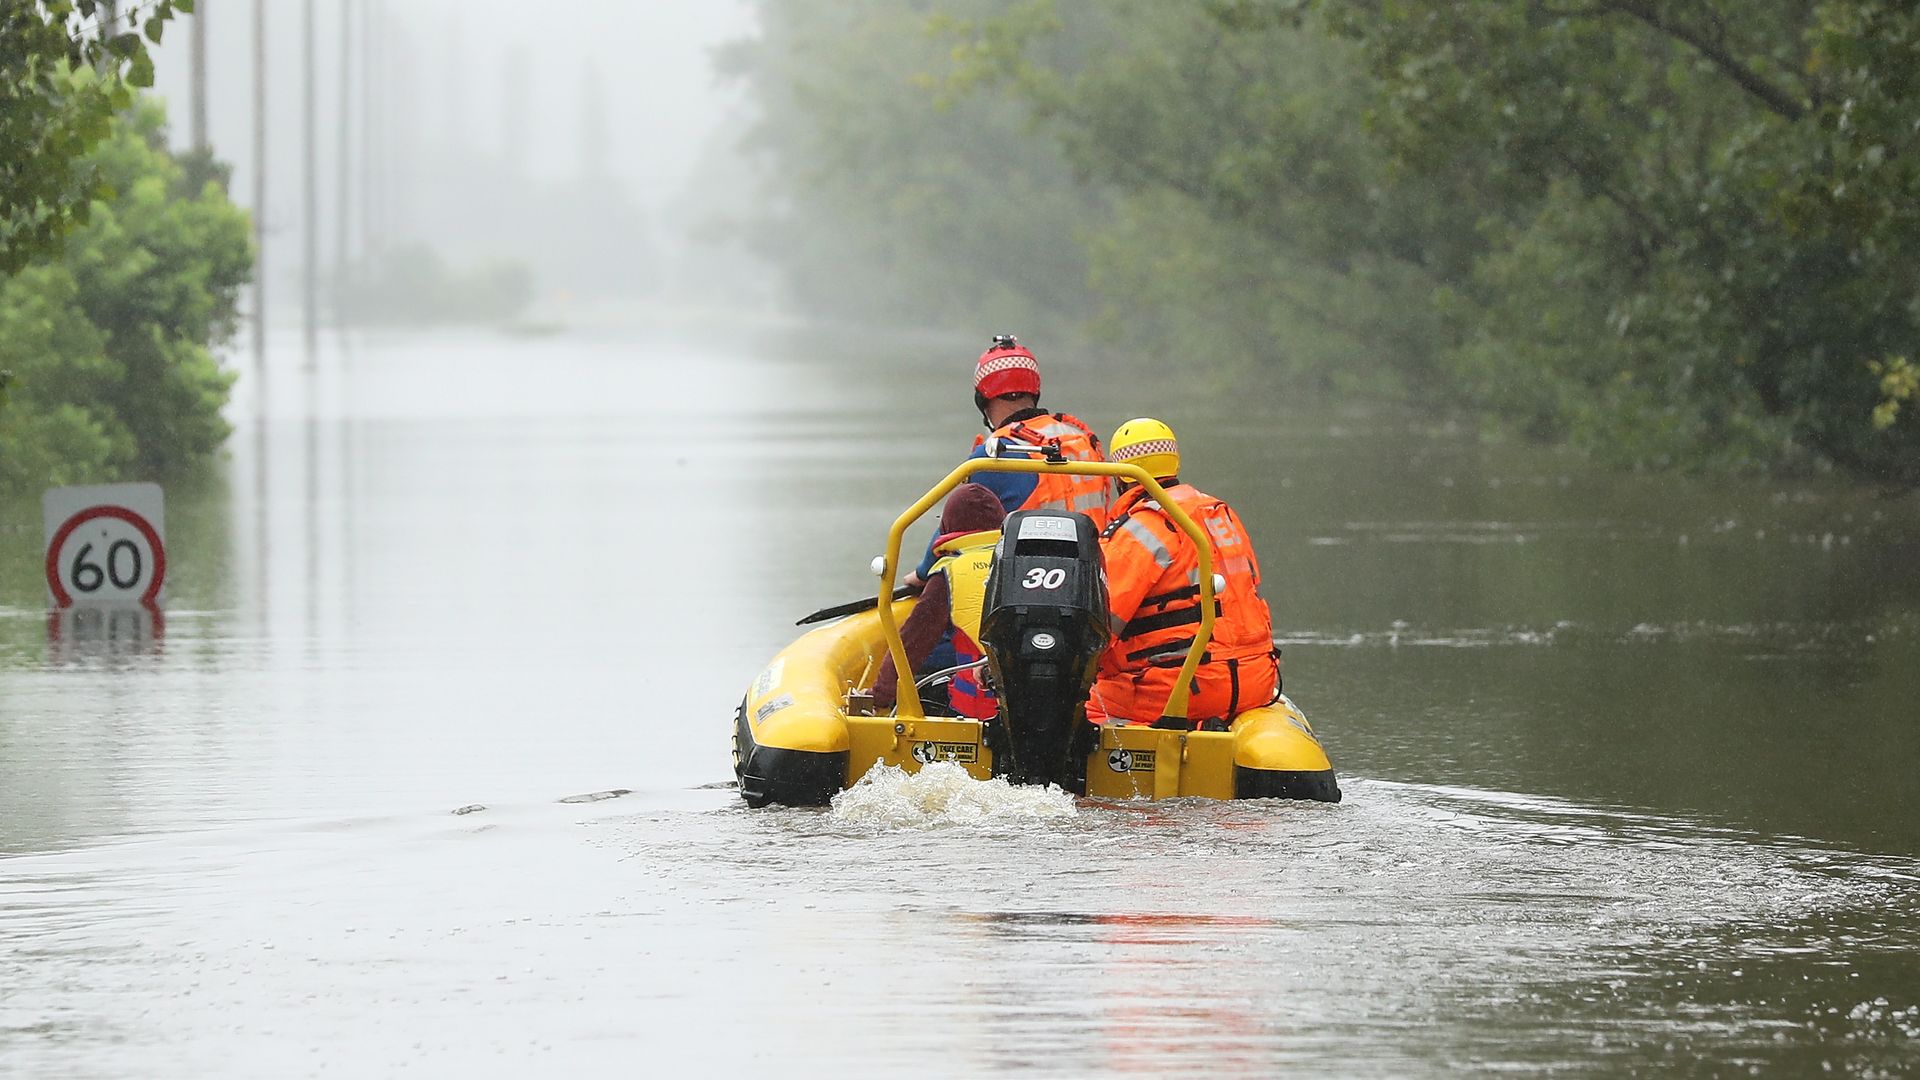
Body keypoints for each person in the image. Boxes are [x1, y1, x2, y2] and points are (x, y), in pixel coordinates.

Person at [1087, 417, 1280, 727]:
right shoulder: (1220, 513)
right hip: (1256, 679)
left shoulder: (1140, 528)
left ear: (1121, 475)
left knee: (1075, 707)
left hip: (1184, 688)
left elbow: (1097, 626)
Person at [904, 334, 1109, 589]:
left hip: (1032, 589)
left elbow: (950, 534)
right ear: (1034, 391)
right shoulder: (1080, 439)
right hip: (1095, 585)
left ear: (982, 398)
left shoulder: (993, 457)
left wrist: (922, 573)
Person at [873, 483, 1007, 717]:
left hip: (979, 713)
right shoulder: (1027, 563)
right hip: (1039, 710)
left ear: (947, 526)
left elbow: (912, 643)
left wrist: (880, 697)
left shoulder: (949, 574)